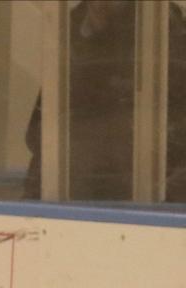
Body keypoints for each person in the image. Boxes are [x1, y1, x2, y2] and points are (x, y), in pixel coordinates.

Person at [23, 0, 186, 202]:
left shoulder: (166, 39)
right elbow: (39, 134)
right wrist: (31, 204)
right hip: (69, 200)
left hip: (137, 209)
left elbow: (175, 142)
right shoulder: (68, 31)